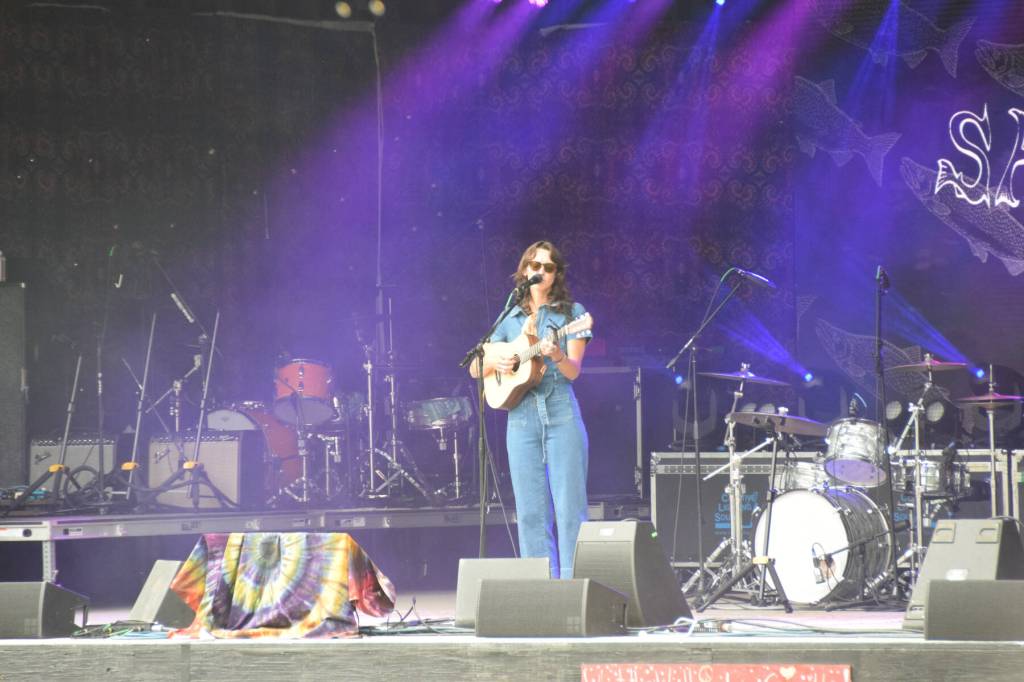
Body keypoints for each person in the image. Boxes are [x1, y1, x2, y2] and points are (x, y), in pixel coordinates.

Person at [469, 240, 592, 578]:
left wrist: (556, 355)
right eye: (534, 266)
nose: (540, 272)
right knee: (530, 512)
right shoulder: (510, 316)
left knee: (569, 509)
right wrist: (500, 358)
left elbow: (574, 371)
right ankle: (541, 590)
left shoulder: (573, 314)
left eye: (548, 268)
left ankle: (572, 587)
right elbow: (475, 367)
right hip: (521, 420)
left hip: (561, 414)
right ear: (524, 271)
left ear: (556, 275)